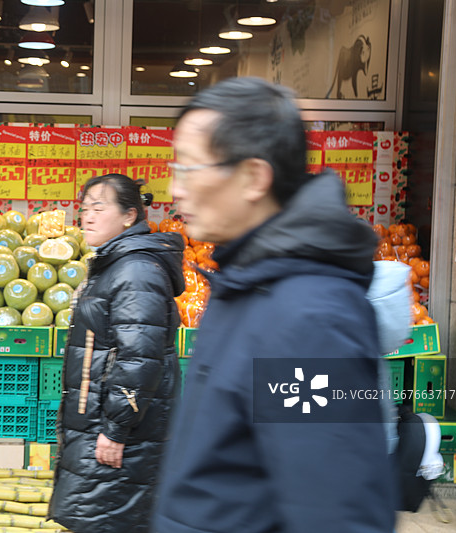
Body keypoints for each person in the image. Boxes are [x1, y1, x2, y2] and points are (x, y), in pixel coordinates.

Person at [152, 77, 396, 533]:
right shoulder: (247, 284)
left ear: (253, 178)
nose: (174, 189)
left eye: (188, 168)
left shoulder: (308, 322)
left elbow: (337, 513)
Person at [48, 174, 185, 533]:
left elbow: (139, 357)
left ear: (129, 216)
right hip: (98, 423)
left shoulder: (135, 270)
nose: (87, 217)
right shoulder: (117, 264)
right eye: (84, 208)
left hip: (118, 433)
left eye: (98, 208)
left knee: (106, 519)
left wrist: (116, 429)